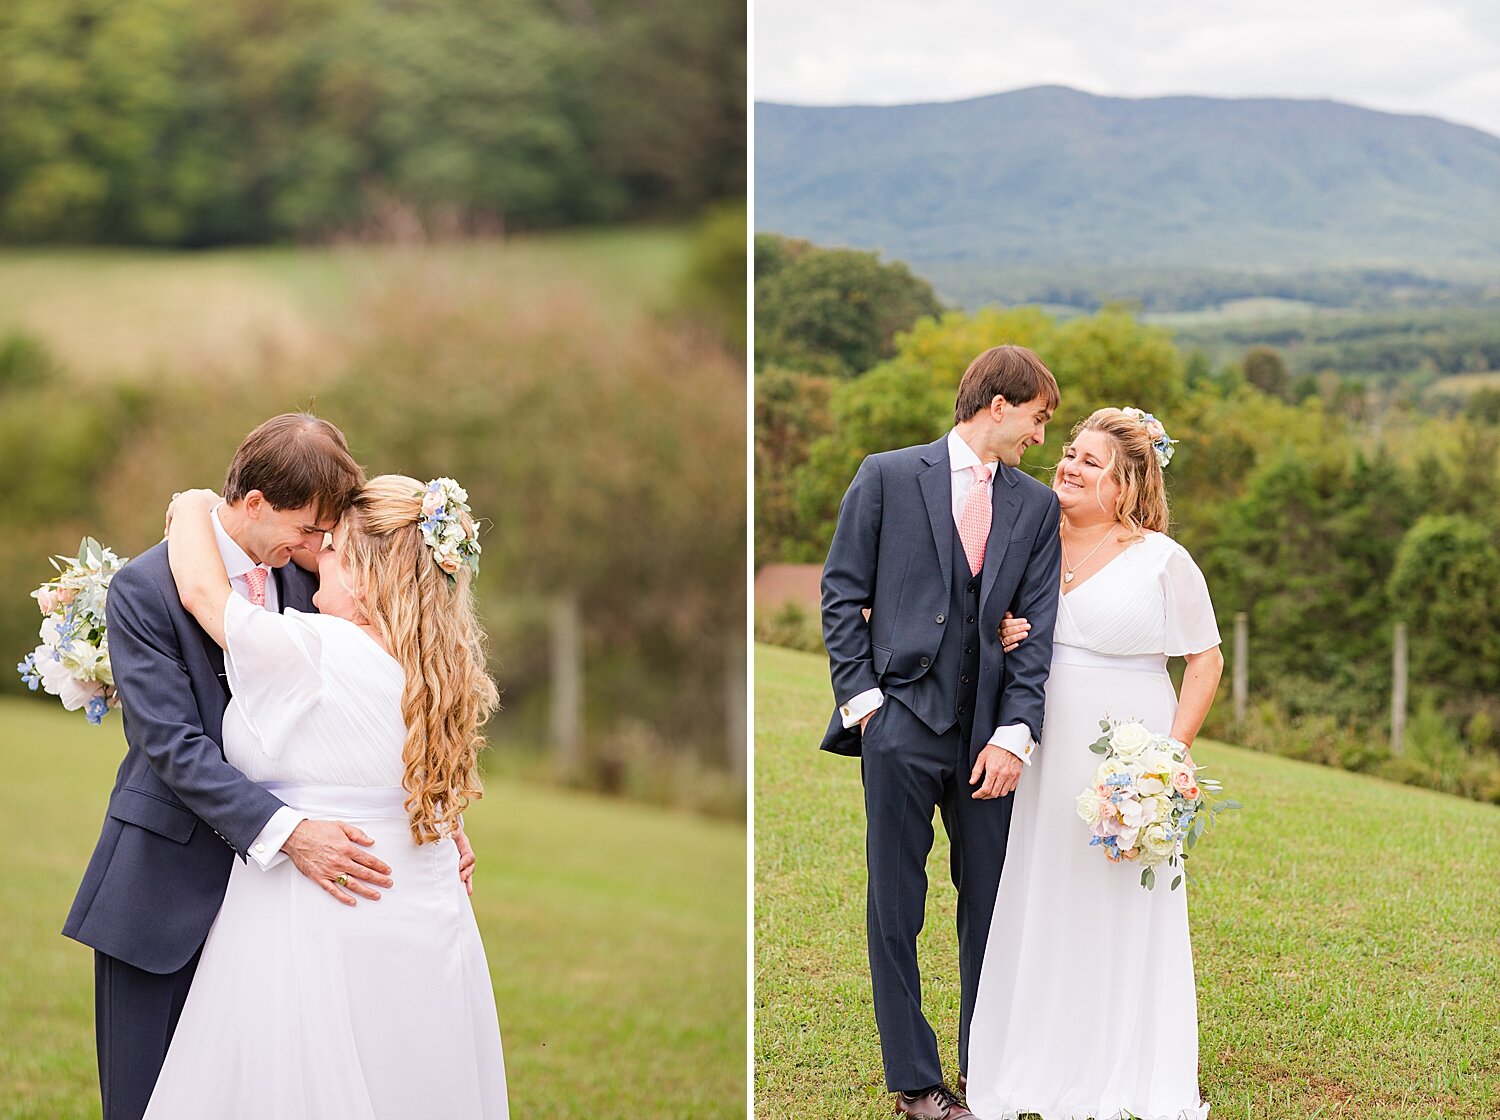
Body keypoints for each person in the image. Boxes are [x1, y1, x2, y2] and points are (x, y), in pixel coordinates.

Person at [62, 414, 408, 1120]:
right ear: (254, 505)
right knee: (144, 1101)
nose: (318, 549)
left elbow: (365, 706)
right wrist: (291, 832)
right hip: (162, 889)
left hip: (277, 917)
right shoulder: (146, 587)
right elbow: (171, 745)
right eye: (308, 530)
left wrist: (430, 815)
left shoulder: (309, 585)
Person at [140, 474, 507, 1117]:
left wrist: (193, 503)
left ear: (365, 575)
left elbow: (202, 590)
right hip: (419, 905)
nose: (316, 563)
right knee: (406, 1076)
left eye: (332, 548)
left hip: (316, 908)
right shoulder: (439, 665)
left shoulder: (310, 647)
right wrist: (448, 826)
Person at [820, 345, 1064, 1119]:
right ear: (999, 404)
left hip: (987, 738)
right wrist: (867, 709)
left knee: (990, 901)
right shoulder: (888, 475)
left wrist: (1015, 735)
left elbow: (1039, 635)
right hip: (900, 724)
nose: (1039, 436)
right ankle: (918, 1084)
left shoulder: (1035, 507)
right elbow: (840, 594)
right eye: (1037, 416)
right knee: (896, 903)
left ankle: (986, 1068)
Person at [965, 408, 1223, 1120]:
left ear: (1128, 485)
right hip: (1040, 751)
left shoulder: (1163, 561)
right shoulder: (1029, 540)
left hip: (1126, 758)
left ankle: (1121, 1059)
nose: (1068, 467)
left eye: (1090, 462)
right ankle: (1036, 1055)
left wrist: (1171, 759)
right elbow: (988, 618)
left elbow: (1205, 659)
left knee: (1116, 902)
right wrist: (1006, 628)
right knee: (1041, 890)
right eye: (1069, 453)